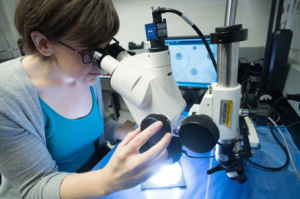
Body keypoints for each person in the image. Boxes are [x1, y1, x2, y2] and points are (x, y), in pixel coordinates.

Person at [0, 0, 172, 198]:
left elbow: (95, 122)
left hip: (94, 171)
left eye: (106, 49)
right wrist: (109, 179)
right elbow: (34, 187)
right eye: (91, 53)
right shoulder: (6, 96)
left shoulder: (82, 71)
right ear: (43, 43)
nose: (101, 66)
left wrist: (131, 134)